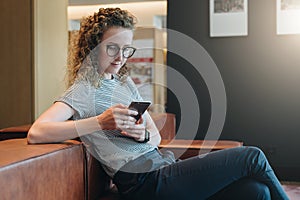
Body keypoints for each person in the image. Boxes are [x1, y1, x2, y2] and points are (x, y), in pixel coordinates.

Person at [27, 8, 289, 200]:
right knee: (251, 156)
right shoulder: (83, 90)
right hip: (144, 184)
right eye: (112, 48)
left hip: (163, 167)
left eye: (126, 49)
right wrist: (99, 122)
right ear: (94, 47)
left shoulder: (125, 84)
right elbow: (37, 131)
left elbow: (153, 137)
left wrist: (141, 135)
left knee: (256, 192)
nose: (120, 57)